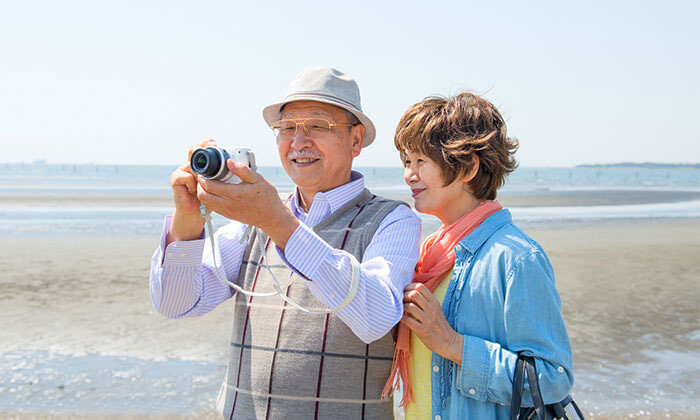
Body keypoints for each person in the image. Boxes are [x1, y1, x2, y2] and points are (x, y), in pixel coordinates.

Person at [149, 67, 421, 419]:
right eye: (287, 127)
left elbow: (376, 317)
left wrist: (277, 222)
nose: (299, 141)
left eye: (318, 126)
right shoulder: (257, 218)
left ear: (356, 140)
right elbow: (176, 303)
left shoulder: (392, 220)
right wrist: (187, 219)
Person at [384, 92, 574, 419]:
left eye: (420, 161)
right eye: (406, 161)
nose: (409, 174)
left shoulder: (516, 258)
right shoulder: (431, 253)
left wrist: (453, 344)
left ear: (468, 167)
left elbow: (553, 378)